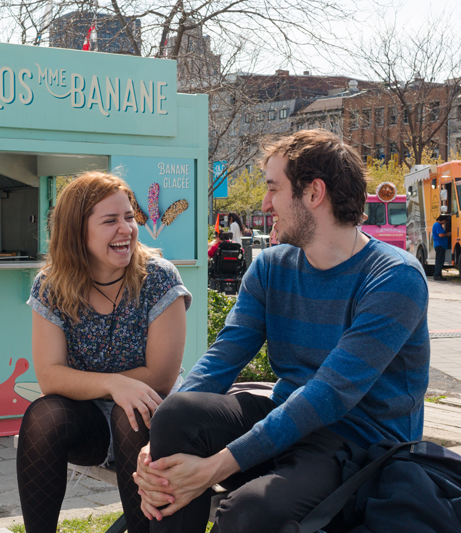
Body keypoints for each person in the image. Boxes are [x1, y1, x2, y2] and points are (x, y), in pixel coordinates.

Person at [133, 129, 430, 532]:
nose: (264, 203)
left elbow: (328, 396)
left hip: (361, 447)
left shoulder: (394, 279)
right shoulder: (272, 266)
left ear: (314, 193)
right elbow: (224, 356)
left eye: (274, 189)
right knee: (177, 414)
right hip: (286, 423)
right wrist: (156, 450)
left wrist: (214, 467)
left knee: (247, 512)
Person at [16, 171, 191, 533]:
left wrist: (120, 390)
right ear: (77, 231)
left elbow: (160, 376)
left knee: (131, 414)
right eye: (110, 220)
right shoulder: (52, 285)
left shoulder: (159, 278)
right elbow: (50, 376)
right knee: (44, 416)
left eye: (129, 217)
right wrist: (112, 384)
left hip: (153, 416)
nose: (126, 228)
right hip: (90, 419)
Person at [432, 214, 450, 281]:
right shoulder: (437, 225)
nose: (445, 222)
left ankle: (438, 274)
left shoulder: (438, 225)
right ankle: (437, 275)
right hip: (440, 245)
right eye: (445, 220)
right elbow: (441, 235)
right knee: (439, 261)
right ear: (442, 219)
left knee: (440, 261)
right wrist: (447, 234)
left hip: (440, 245)